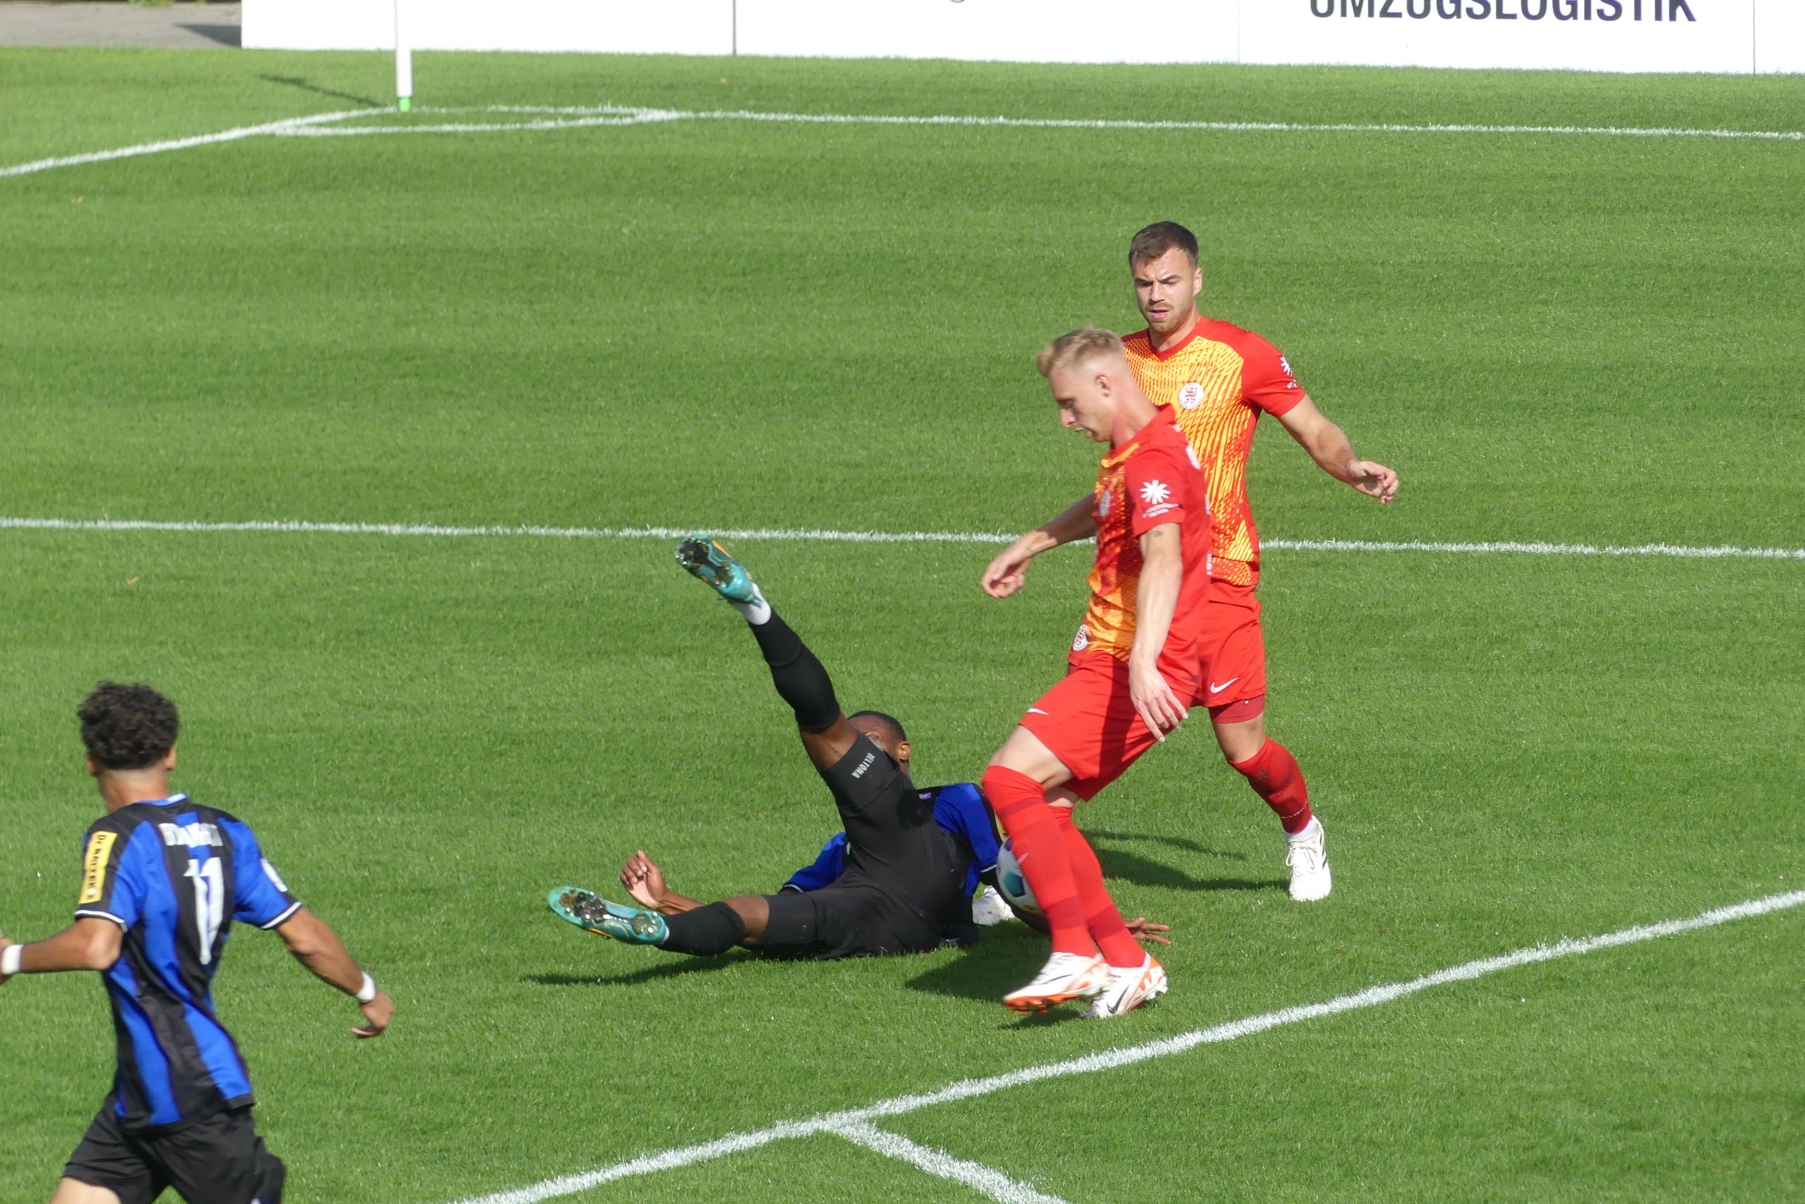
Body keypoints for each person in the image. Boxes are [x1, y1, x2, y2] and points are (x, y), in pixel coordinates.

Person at [0, 684, 540, 1204]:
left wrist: (12, 958)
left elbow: (96, 946)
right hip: (144, 1100)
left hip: (188, 1099)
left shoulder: (114, 838)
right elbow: (303, 933)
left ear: (90, 760)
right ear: (172, 753)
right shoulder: (225, 833)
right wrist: (367, 990)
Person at [983, 221, 1399, 903]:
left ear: (1197, 280)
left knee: (1244, 750)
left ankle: (1302, 830)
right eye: (1143, 283)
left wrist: (1349, 466)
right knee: (1071, 742)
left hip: (1219, 581)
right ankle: (1015, 872)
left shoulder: (1242, 355)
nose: (1156, 295)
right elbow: (1117, 490)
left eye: (1169, 281)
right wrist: (1033, 542)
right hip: (1132, 592)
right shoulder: (1116, 364)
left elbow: (1314, 427)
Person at [548, 538, 1007, 961]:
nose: (855, 750)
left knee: (823, 725)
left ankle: (755, 607)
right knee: (756, 916)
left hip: (914, 868)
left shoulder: (952, 800)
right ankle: (658, 931)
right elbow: (767, 920)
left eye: (867, 742)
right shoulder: (841, 847)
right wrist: (665, 901)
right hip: (879, 922)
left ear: (902, 750)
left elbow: (1009, 881)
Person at [981, 327, 1214, 1019]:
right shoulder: (1136, 450)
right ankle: (1128, 963)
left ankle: (1075, 952)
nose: (1065, 419)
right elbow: (1109, 505)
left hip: (1131, 663)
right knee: (1050, 811)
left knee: (1008, 780)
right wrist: (1033, 543)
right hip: (1112, 656)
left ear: (1106, 384)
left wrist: (1143, 663)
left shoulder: (1153, 461)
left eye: (1069, 403)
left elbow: (1165, 554)